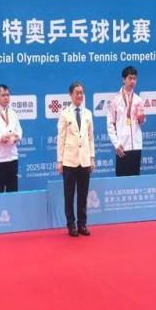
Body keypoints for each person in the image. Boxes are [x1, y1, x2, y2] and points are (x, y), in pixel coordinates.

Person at [57, 82, 95, 237]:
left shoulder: (88, 114)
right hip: (69, 161)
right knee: (69, 195)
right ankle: (71, 225)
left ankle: (82, 224)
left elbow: (90, 138)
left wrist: (92, 158)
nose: (80, 95)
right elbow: (61, 138)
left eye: (81, 93)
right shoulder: (64, 114)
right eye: (77, 92)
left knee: (83, 195)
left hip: (84, 160)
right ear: (70, 95)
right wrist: (59, 161)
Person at [107, 66, 146, 176]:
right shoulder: (115, 100)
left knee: (135, 180)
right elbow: (110, 124)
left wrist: (142, 118)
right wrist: (116, 144)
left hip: (136, 146)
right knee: (122, 181)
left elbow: (141, 122)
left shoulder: (138, 100)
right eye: (130, 78)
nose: (132, 81)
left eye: (134, 79)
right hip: (122, 147)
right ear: (124, 79)